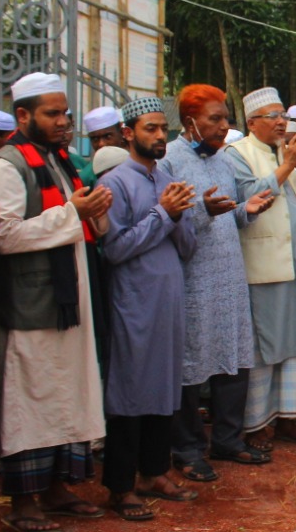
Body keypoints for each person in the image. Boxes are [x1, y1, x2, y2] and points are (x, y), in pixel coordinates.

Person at [0, 72, 113, 530]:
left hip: (68, 300)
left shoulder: (59, 161)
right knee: (29, 399)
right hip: (30, 307)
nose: (63, 122)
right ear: (23, 116)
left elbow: (76, 222)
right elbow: (4, 236)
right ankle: (22, 502)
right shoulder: (5, 167)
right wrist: (73, 212)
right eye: (52, 114)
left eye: (65, 113)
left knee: (66, 395)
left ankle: (58, 488)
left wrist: (93, 212)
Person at [160, 85, 272, 482]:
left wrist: (247, 210)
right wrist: (203, 211)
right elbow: (166, 224)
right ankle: (187, 449)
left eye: (226, 118)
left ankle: (228, 439)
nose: (224, 126)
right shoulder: (170, 162)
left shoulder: (224, 160)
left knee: (233, 354)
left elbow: (228, 215)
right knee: (192, 361)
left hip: (229, 273)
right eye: (215, 119)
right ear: (189, 121)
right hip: (192, 278)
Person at [98, 96, 199, 521]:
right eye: (151, 129)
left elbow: (188, 247)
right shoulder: (114, 183)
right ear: (128, 133)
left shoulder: (166, 177)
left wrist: (177, 216)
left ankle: (154, 472)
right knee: (130, 391)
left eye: (163, 129)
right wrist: (163, 213)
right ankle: (121, 487)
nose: (160, 136)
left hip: (168, 303)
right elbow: (115, 248)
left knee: (163, 387)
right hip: (133, 305)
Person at [225, 87, 296, 449]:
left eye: (283, 115)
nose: (282, 122)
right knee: (263, 344)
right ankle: (256, 424)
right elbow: (251, 194)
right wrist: (287, 165)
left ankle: (291, 418)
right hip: (263, 263)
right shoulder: (236, 154)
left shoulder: (291, 153)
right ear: (252, 123)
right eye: (273, 116)